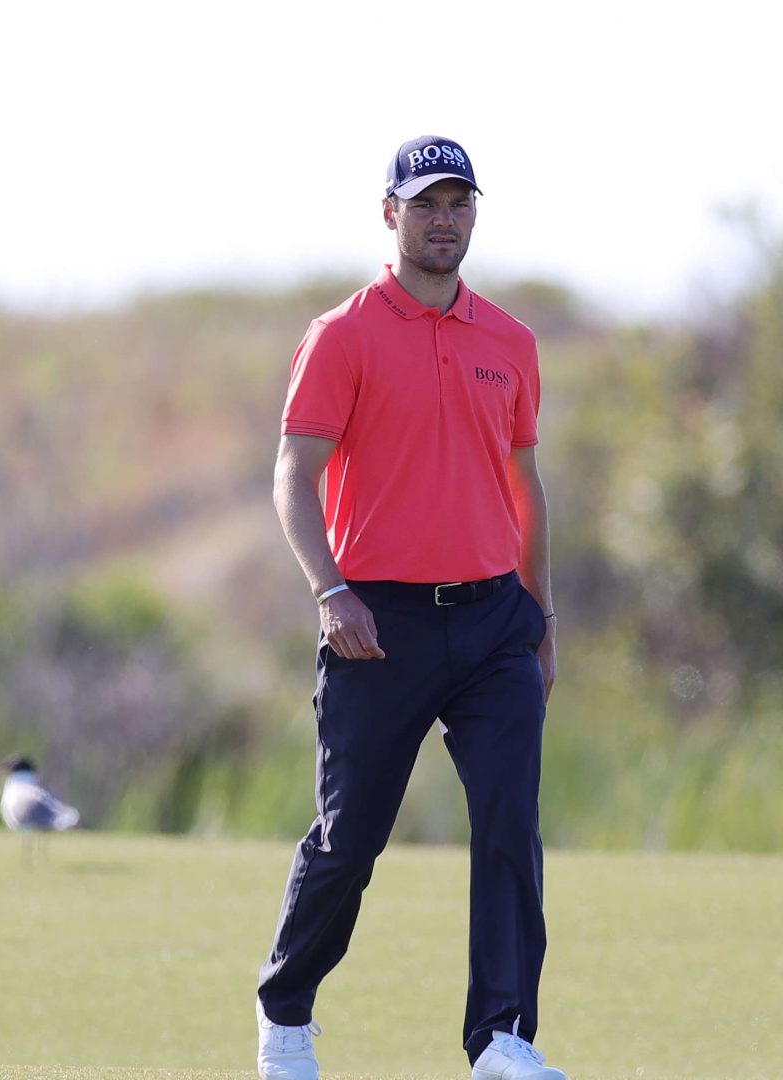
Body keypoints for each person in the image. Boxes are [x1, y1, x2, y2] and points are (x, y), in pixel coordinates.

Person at [254, 135, 565, 1080]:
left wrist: (541, 618)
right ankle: (286, 1014)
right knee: (351, 841)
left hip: (492, 622)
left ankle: (501, 1038)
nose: (444, 219)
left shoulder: (509, 341)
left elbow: (525, 488)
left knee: (510, 821)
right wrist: (330, 590)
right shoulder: (343, 334)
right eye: (426, 203)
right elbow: (293, 477)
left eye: (460, 203)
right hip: (374, 619)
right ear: (389, 213)